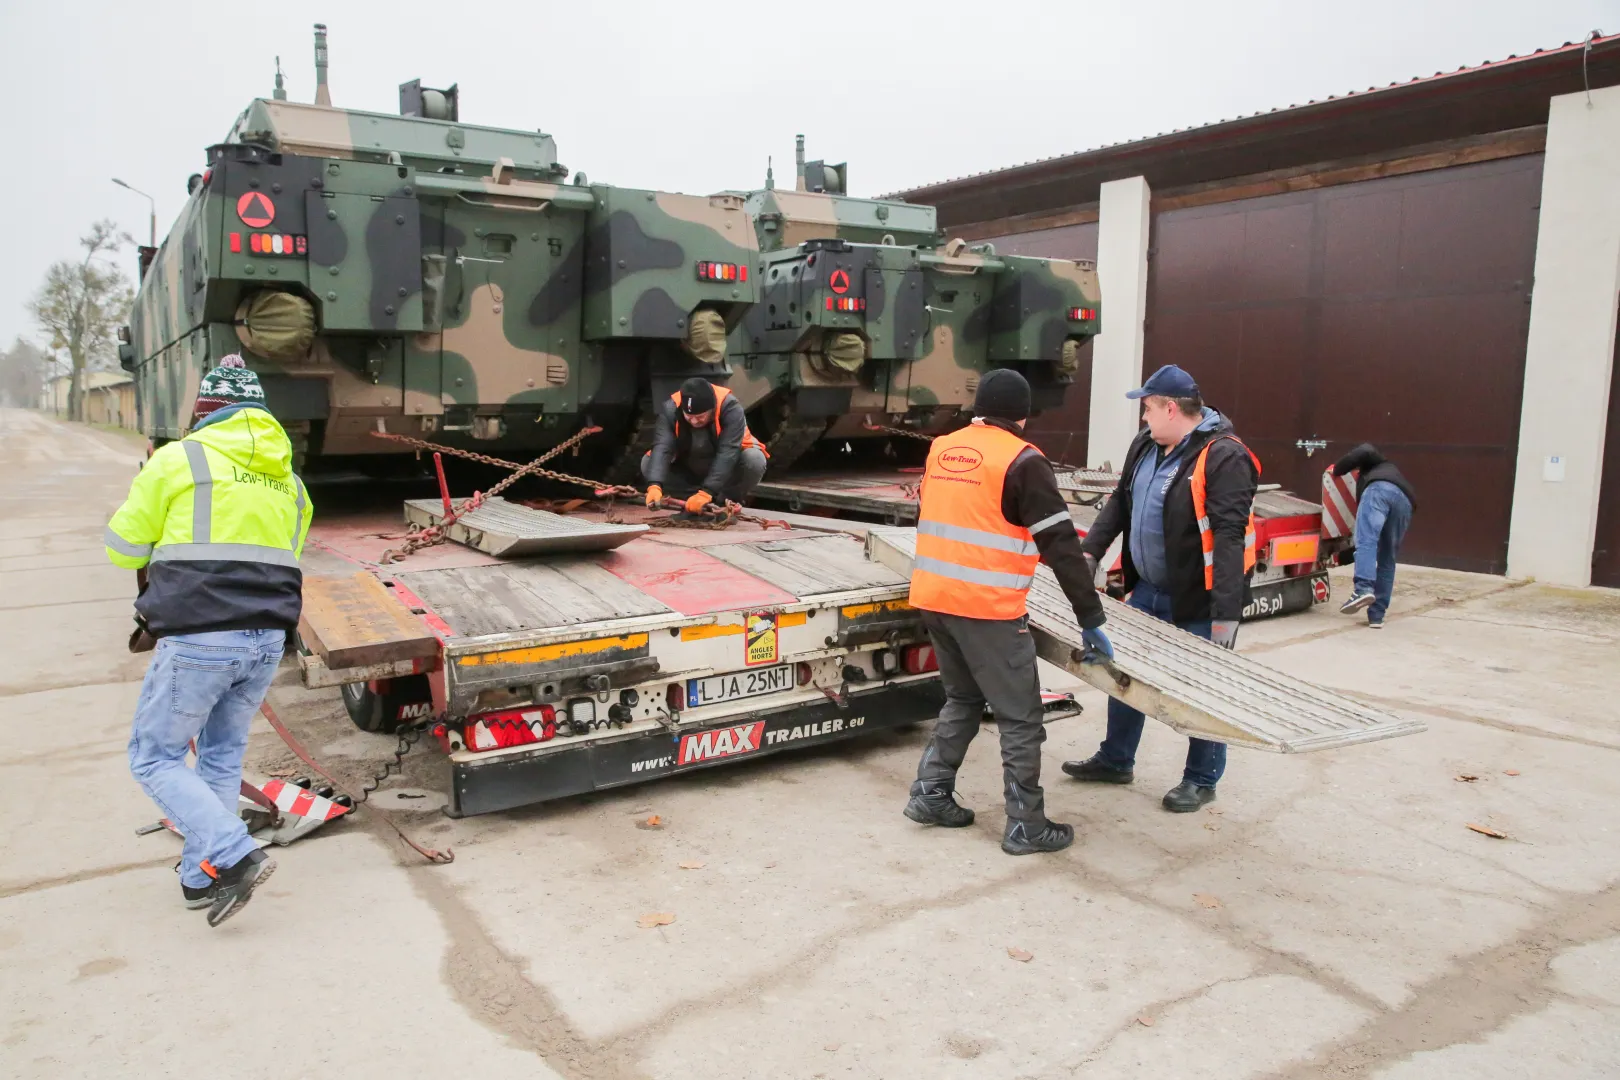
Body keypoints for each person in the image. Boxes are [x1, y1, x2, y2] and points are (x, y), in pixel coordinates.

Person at [104, 355, 313, 927]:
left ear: (206, 410)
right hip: (267, 640)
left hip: (200, 638)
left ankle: (235, 853)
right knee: (220, 757)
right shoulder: (290, 481)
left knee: (155, 757)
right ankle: (201, 877)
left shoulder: (179, 459)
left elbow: (123, 549)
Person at [903, 369, 1112, 856]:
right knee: (1021, 717)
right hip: (987, 609)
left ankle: (930, 794)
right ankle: (1027, 825)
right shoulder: (1023, 459)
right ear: (1023, 414)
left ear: (979, 409)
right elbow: (1059, 544)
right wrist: (1090, 617)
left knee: (962, 699)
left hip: (935, 597)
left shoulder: (942, 448)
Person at [1062, 364, 1259, 813]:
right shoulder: (1146, 445)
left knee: (1199, 690)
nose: (1143, 418)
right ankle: (1115, 760)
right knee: (1124, 675)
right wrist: (1091, 552)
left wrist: (1226, 615)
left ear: (1171, 408)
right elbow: (1121, 502)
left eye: (1147, 408)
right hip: (1148, 589)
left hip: (1199, 600)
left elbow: (1230, 536)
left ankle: (1201, 780)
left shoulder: (1225, 455)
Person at [642, 377, 769, 513]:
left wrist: (708, 491)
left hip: (727, 468)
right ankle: (689, 499)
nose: (695, 422)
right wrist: (654, 484)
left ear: (712, 409)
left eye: (701, 416)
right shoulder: (671, 408)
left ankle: (724, 500)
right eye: (689, 417)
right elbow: (662, 447)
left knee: (754, 459)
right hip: (689, 467)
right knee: (647, 463)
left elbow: (728, 451)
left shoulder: (730, 407)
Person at [1331, 443, 1416, 628]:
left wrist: (1338, 469)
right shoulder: (1392, 471)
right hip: (1405, 503)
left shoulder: (1376, 463)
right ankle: (1377, 616)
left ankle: (1363, 589)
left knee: (1367, 541)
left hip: (1379, 492)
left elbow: (1366, 449)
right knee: (1387, 558)